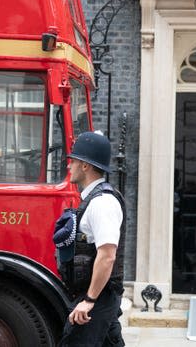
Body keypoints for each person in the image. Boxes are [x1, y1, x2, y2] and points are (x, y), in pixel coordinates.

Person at [57, 131, 126, 347]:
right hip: (99, 297)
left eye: (73, 161)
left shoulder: (102, 203)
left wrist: (89, 301)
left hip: (98, 299)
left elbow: (107, 256)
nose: (70, 167)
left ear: (85, 166)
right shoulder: (93, 200)